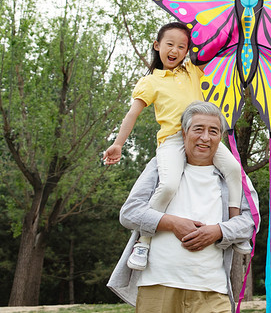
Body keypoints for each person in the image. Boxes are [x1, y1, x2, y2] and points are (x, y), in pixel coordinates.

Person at [103, 22, 249, 270]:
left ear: (187, 51)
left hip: (203, 136)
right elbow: (132, 114)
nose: (175, 50)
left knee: (234, 170)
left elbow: (215, 48)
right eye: (170, 44)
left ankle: (234, 227)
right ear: (157, 45)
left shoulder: (191, 71)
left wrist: (236, 25)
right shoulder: (150, 82)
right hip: (172, 140)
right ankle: (144, 241)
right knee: (169, 184)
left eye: (182, 46)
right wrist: (118, 144)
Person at [108, 101, 258, 313]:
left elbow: (250, 220)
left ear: (220, 137)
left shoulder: (232, 175)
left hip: (212, 289)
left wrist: (218, 231)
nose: (205, 137)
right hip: (158, 285)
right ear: (184, 133)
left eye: (213, 131)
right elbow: (130, 212)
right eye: (198, 129)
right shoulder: (161, 167)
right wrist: (172, 223)